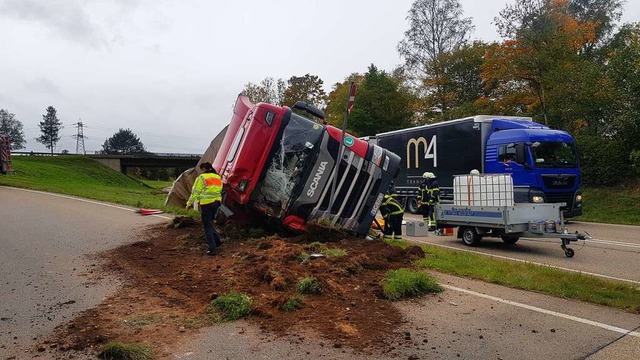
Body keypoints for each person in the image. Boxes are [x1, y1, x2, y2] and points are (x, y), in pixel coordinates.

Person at [186, 162, 223, 256]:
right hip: (216, 203)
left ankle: (212, 249)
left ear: (203, 169)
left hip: (206, 204)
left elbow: (195, 192)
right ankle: (217, 241)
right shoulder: (218, 177)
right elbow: (220, 190)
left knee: (206, 226)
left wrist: (189, 203)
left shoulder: (201, 178)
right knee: (209, 223)